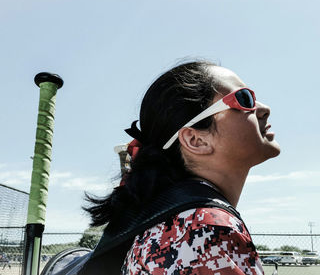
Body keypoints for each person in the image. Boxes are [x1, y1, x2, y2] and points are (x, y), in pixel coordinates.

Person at [82, 60, 280, 274]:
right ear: (196, 140)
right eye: (244, 98)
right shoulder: (203, 229)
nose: (263, 108)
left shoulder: (176, 222)